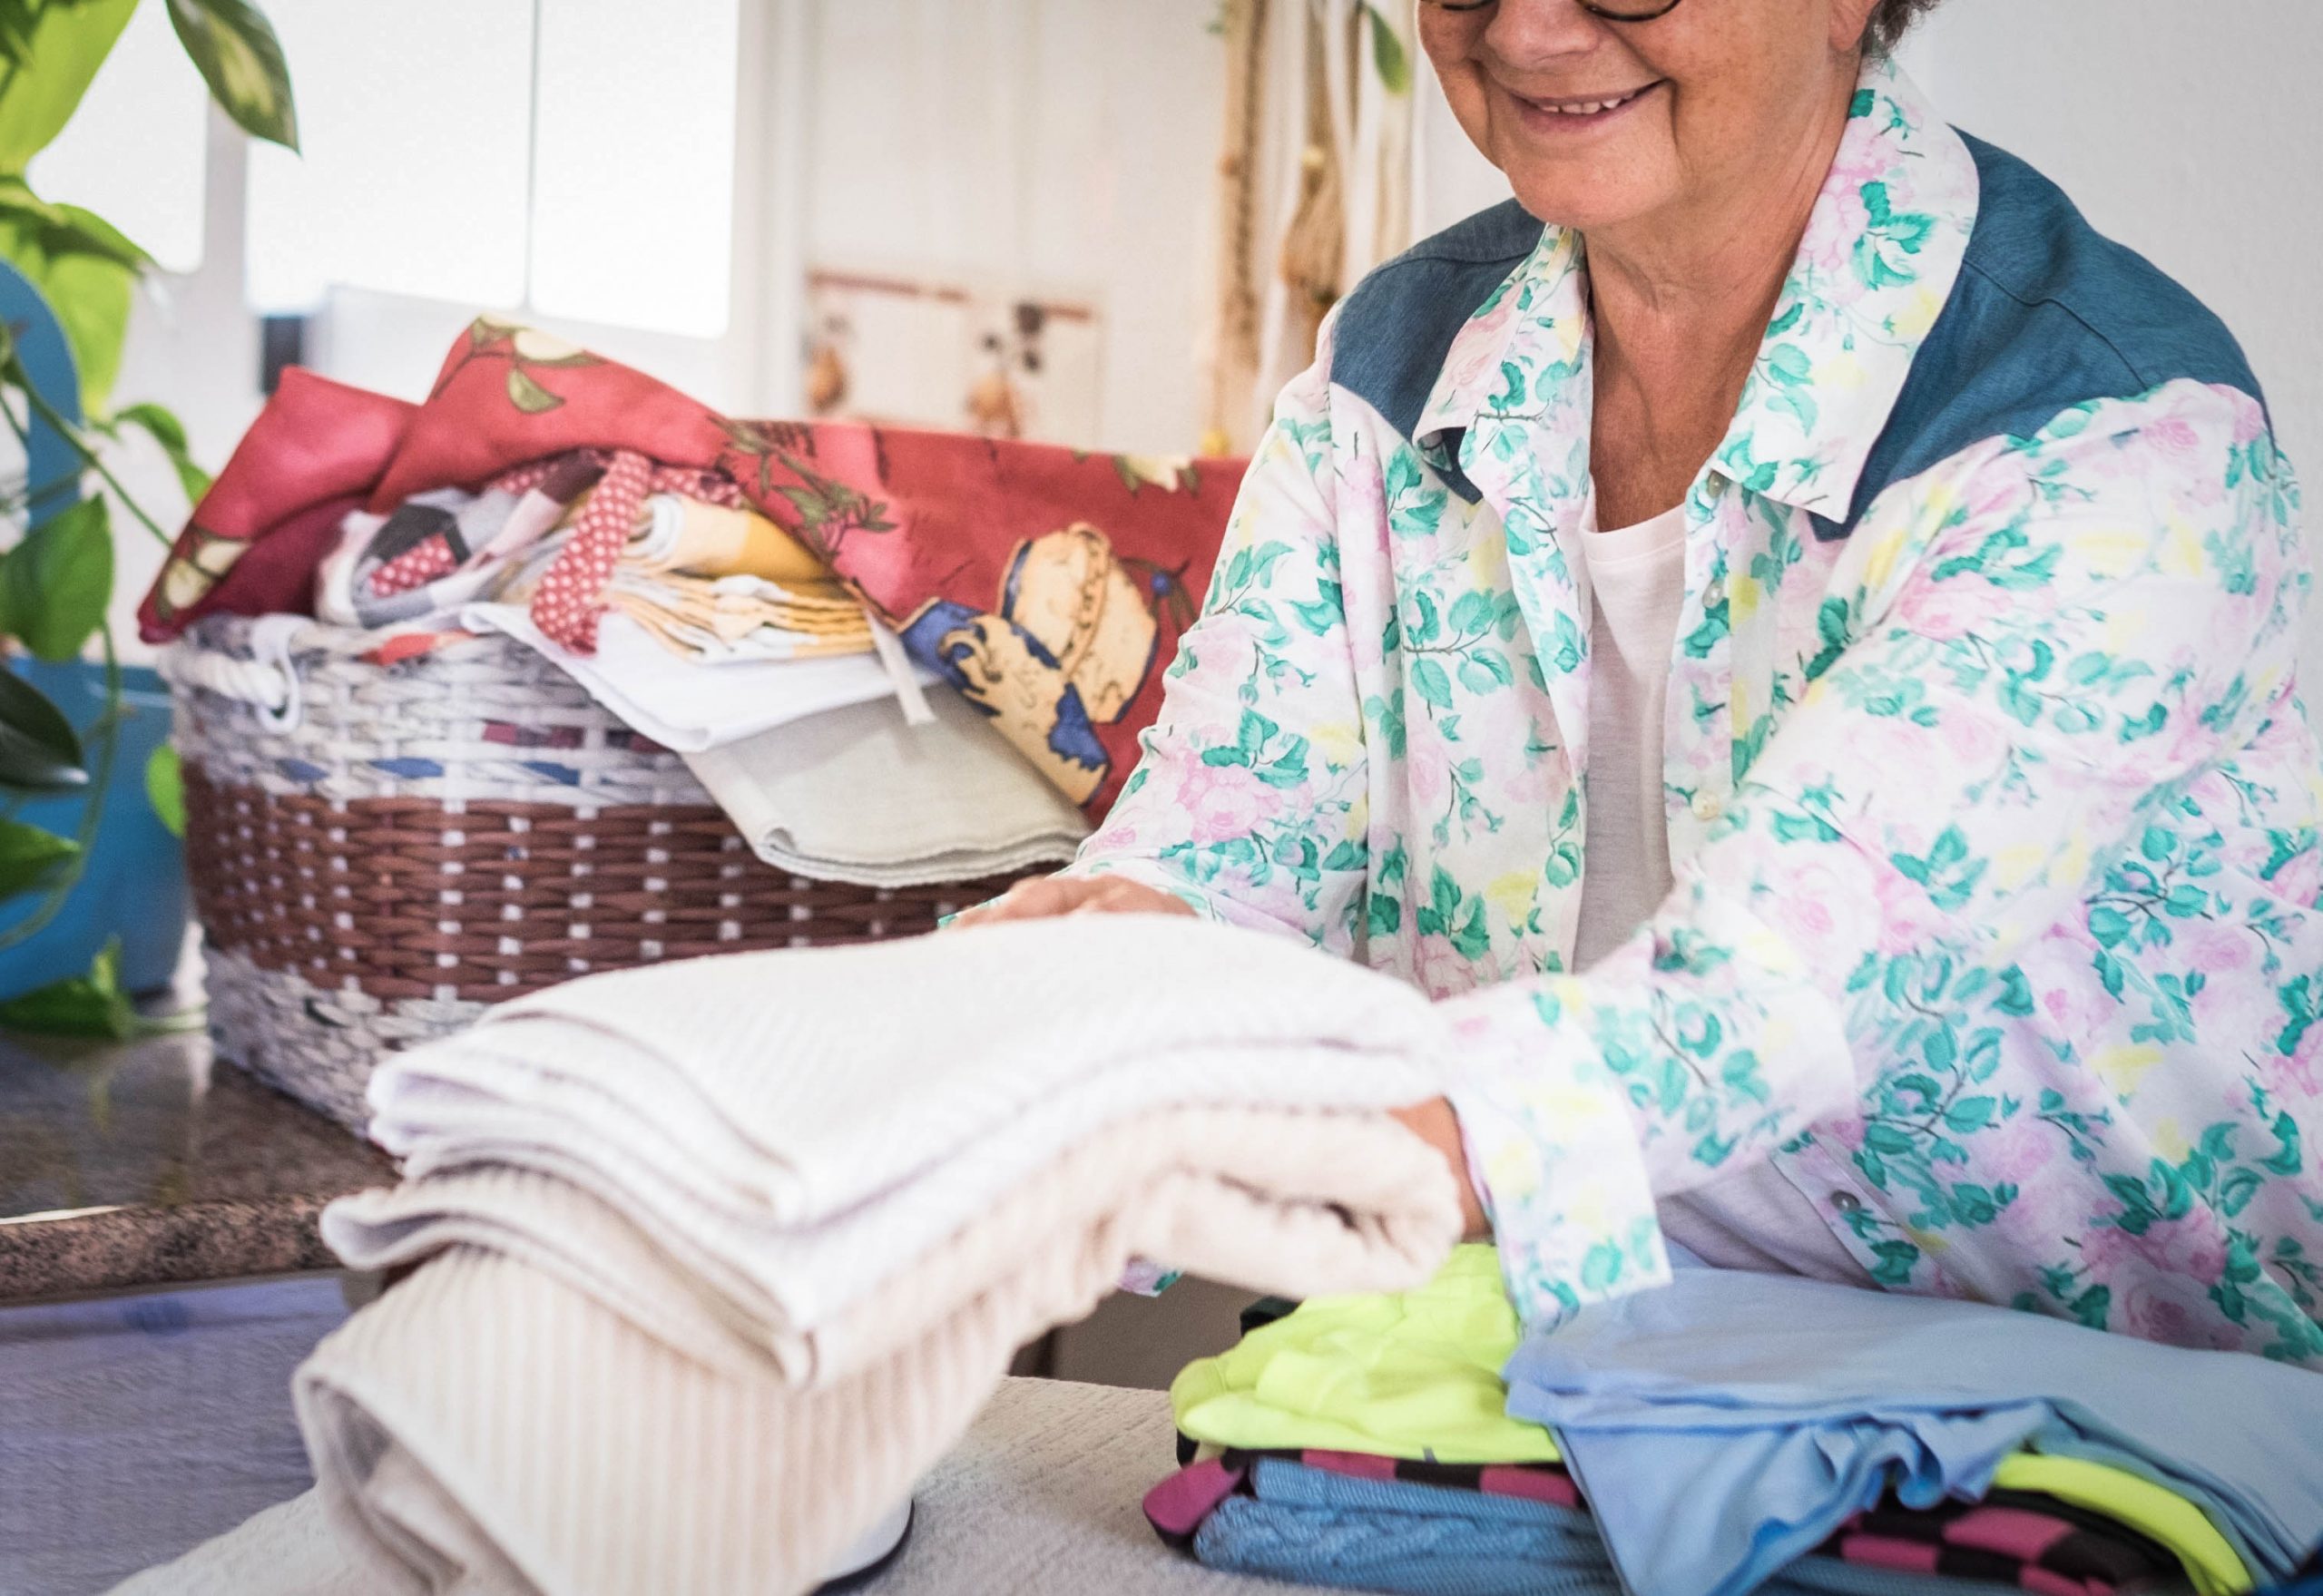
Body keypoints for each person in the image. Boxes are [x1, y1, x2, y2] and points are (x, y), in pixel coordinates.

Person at [955, 0, 2323, 1364]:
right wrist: (1091, 974)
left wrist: (1244, 1129)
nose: (1534, 33)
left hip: (2135, 1420)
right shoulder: (1384, 375)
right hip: (1581, 1364)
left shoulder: (2115, 443)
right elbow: (1222, 857)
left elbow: (1763, 1005)